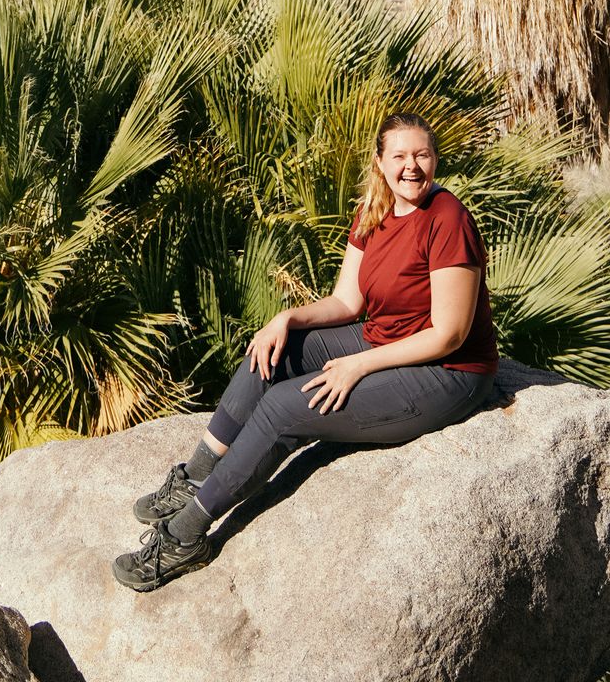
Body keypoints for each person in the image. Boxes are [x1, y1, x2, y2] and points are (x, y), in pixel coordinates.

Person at [112, 109, 500, 591]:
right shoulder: (375, 210)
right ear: (380, 162)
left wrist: (357, 365)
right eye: (399, 156)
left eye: (422, 155)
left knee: (282, 409)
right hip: (388, 338)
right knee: (273, 353)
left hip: (449, 372)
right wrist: (286, 319)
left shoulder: (448, 219)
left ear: (435, 159)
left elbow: (450, 333)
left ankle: (186, 535)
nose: (411, 167)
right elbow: (347, 300)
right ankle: (196, 474)